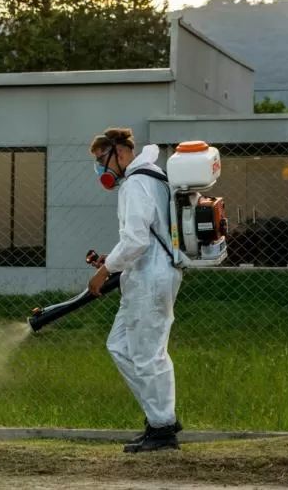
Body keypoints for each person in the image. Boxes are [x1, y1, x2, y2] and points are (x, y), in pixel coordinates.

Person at [87, 126, 184, 453]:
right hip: (145, 274)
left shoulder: (137, 183)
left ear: (121, 152)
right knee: (121, 346)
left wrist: (104, 270)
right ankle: (159, 418)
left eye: (102, 159)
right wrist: (113, 260)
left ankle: (163, 429)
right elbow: (142, 235)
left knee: (147, 354)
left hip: (150, 278)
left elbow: (137, 240)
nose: (100, 168)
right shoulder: (150, 176)